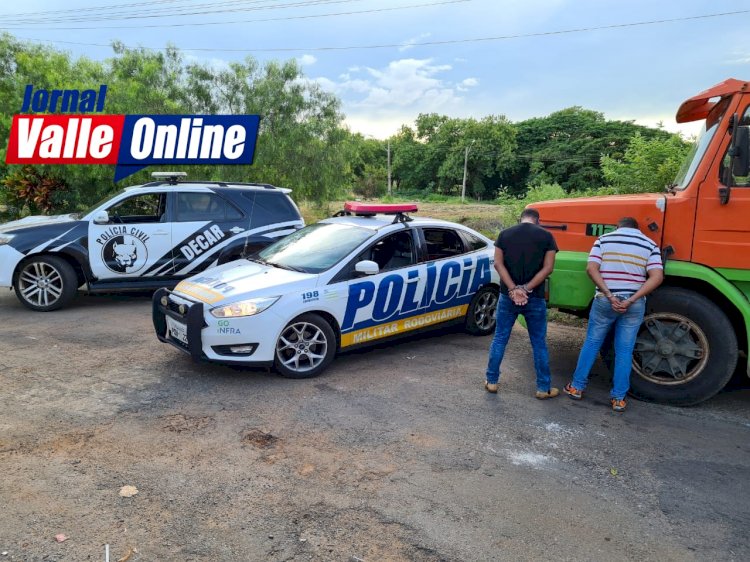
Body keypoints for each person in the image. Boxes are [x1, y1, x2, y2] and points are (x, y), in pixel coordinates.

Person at [564, 217, 664, 412]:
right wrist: (631, 299)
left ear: (618, 227)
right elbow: (657, 276)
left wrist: (609, 295)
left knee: (592, 343)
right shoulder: (649, 244)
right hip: (633, 305)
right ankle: (618, 398)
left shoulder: (604, 240)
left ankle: (576, 387)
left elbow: (591, 268)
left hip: (605, 300)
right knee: (624, 350)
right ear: (637, 229)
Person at [484, 208, 559, 399]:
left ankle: (492, 381)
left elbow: (498, 264)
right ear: (538, 221)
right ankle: (543, 388)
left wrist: (512, 289)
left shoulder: (505, 234)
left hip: (507, 296)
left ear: (521, 219)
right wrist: (525, 289)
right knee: (538, 342)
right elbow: (548, 268)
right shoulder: (547, 236)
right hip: (535, 297)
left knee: (500, 338)